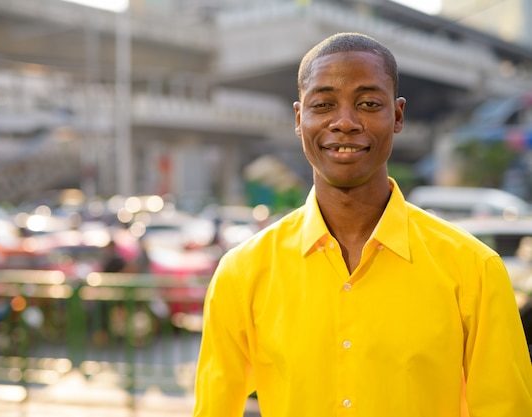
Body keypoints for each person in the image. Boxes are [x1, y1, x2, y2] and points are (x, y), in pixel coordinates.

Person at [192, 32, 532, 417]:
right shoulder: (242, 273)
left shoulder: (474, 270)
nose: (345, 122)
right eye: (323, 104)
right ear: (300, 119)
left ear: (398, 115)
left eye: (369, 103)